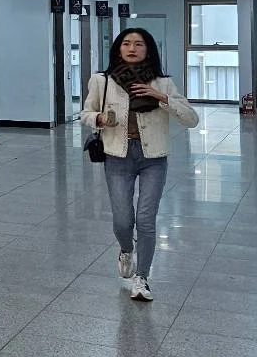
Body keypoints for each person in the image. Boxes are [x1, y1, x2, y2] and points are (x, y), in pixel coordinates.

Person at [83, 28, 198, 302]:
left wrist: (160, 96)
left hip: (153, 158)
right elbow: (85, 113)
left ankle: (142, 278)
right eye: (126, 43)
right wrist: (99, 119)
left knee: (146, 219)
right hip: (117, 156)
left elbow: (191, 119)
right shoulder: (102, 81)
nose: (132, 48)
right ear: (118, 49)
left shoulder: (163, 83)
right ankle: (126, 250)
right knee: (123, 220)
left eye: (138, 44)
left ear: (148, 50)